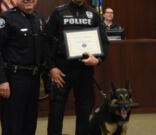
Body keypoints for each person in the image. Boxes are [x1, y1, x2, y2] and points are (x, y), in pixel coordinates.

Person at [44, 0, 109, 135]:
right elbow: (46, 40)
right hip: (61, 70)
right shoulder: (59, 12)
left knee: (84, 112)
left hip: (85, 70)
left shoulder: (93, 13)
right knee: (56, 111)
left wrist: (98, 60)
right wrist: (51, 68)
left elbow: (104, 41)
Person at [0, 0, 45, 135]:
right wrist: (2, 80)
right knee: (12, 124)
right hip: (14, 79)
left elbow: (45, 47)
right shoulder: (6, 18)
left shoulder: (39, 18)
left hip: (34, 79)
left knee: (30, 122)